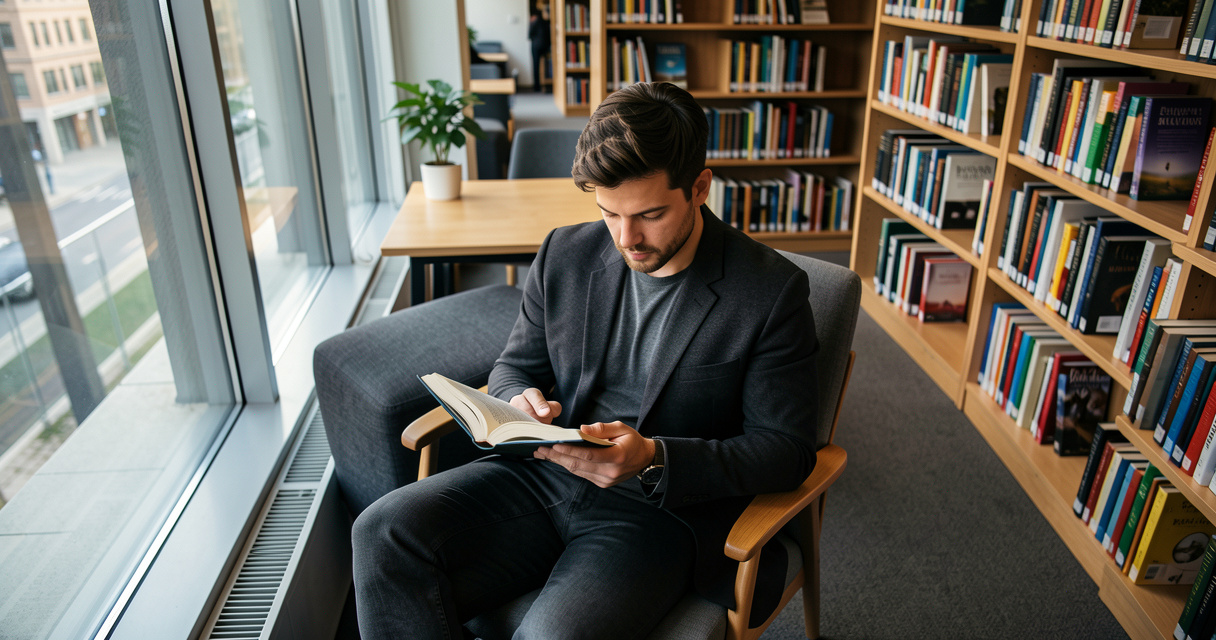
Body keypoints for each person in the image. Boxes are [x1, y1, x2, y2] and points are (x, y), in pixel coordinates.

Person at [352, 82, 820, 639]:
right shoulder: (565, 253)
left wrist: (654, 457)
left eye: (649, 214)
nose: (628, 238)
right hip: (542, 475)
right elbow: (514, 366)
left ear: (699, 188)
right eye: (608, 213)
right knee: (382, 533)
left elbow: (786, 451)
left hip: (656, 512)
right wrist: (515, 399)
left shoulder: (768, 292)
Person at [528, 7, 551, 92]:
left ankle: (537, 87)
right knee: (548, 65)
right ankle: (549, 84)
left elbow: (529, 36)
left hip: (536, 46)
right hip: (546, 46)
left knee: (536, 66)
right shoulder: (546, 22)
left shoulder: (533, 23)